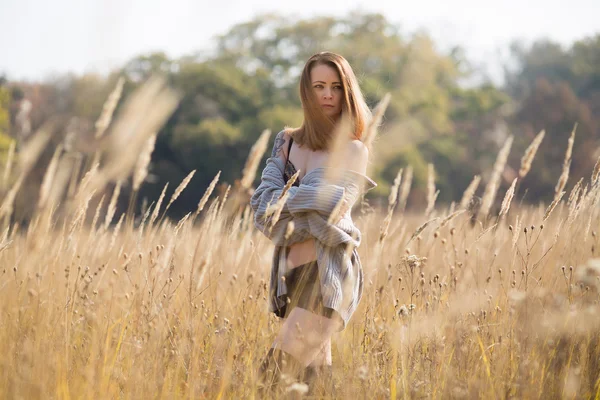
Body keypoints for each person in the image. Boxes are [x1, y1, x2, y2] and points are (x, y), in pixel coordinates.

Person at [250, 51, 377, 392]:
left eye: (336, 87)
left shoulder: (352, 151)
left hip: (329, 277)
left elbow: (334, 205)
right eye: (319, 86)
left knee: (270, 379)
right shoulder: (287, 142)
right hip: (289, 277)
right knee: (312, 384)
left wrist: (286, 202)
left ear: (346, 91)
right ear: (306, 91)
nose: (327, 95)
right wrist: (307, 201)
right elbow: (263, 211)